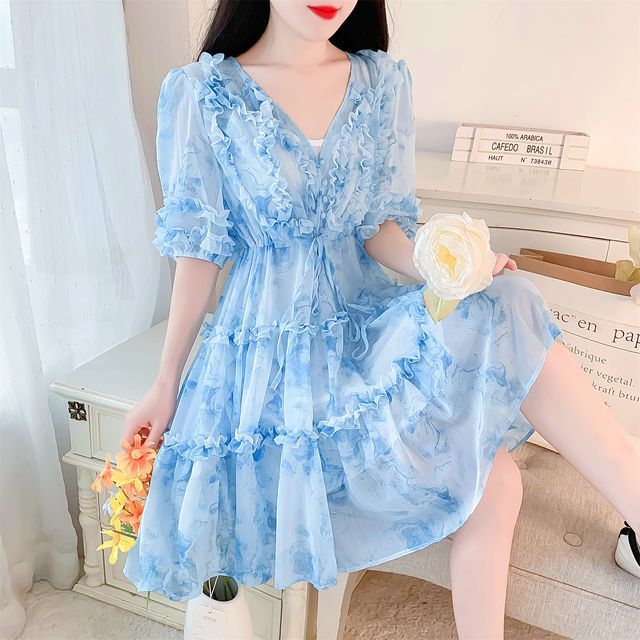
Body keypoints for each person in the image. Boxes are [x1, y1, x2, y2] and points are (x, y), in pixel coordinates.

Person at [121, 1, 640, 637]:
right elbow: (199, 253)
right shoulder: (204, 94)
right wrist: (166, 382)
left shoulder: (379, 82)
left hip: (364, 333)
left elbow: (379, 231)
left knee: (509, 300)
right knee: (495, 476)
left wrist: (455, 269)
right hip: (275, 365)